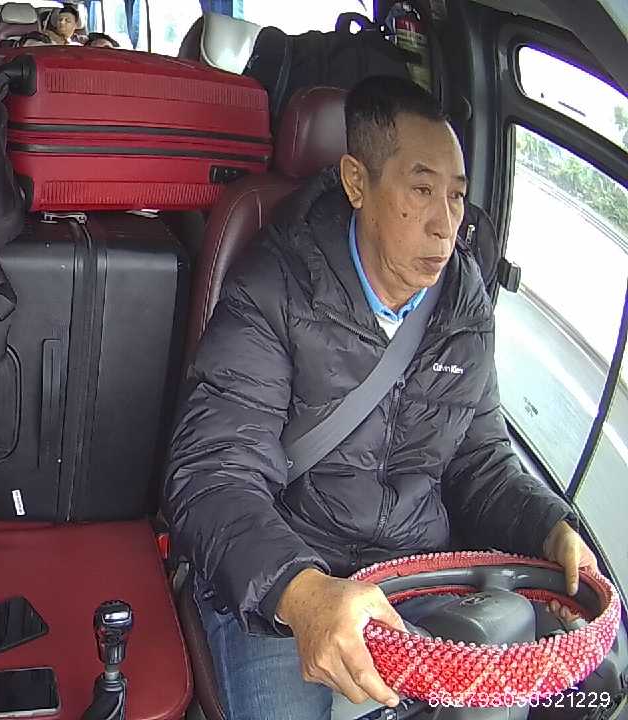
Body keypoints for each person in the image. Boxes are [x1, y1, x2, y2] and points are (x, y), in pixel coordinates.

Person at [164, 75, 595, 720]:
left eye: (456, 196)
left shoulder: (464, 305)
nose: (444, 225)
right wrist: (302, 592)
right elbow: (213, 473)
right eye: (421, 190)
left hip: (415, 573)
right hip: (279, 585)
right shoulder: (274, 288)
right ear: (357, 182)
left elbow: (480, 461)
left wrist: (550, 526)